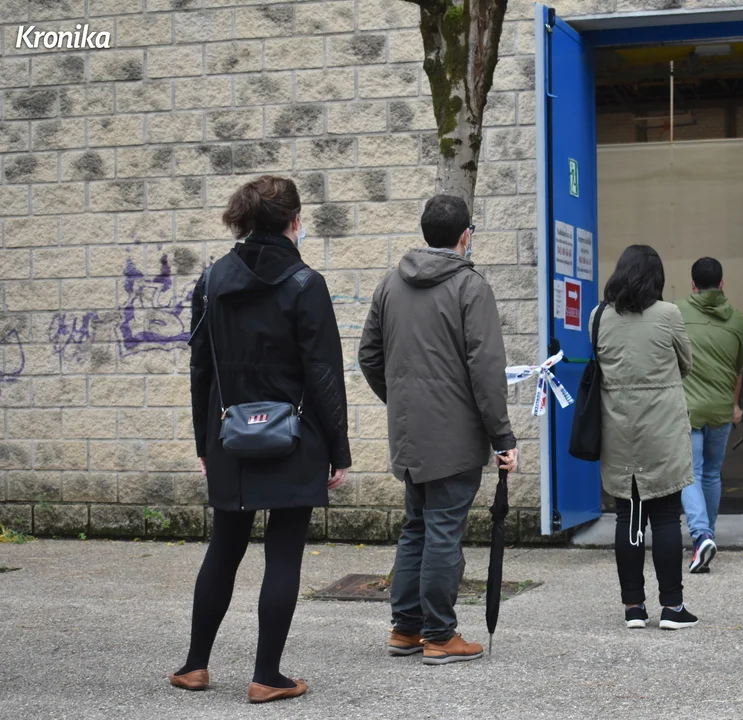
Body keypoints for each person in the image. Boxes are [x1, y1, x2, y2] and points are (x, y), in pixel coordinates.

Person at [175, 175, 352, 704]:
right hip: (295, 437)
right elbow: (324, 373)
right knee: (283, 554)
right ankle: (266, 676)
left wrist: (204, 442)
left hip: (229, 435)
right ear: (295, 222)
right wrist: (339, 450)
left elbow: (201, 368)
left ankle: (194, 665)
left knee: (224, 546)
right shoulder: (305, 283)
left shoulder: (211, 281)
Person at [358, 194, 518, 665]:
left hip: (410, 432)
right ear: (466, 235)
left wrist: (402, 401)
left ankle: (406, 628)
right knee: (443, 530)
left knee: (416, 527)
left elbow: (369, 356)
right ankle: (440, 634)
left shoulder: (390, 284)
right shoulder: (470, 287)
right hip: (455, 436)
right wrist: (503, 437)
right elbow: (486, 370)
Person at [591, 245, 699, 631]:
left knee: (628, 514)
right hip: (662, 428)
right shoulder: (669, 314)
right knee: (666, 516)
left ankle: (633, 607)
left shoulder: (598, 316)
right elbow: (686, 363)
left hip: (619, 429)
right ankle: (672, 607)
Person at [675, 258, 743, 574]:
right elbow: (738, 368)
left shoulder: (676, 312)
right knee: (712, 474)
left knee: (689, 473)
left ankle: (701, 536)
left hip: (688, 408)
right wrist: (734, 405)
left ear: (693, 284)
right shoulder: (738, 319)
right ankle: (707, 538)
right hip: (721, 409)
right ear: (722, 283)